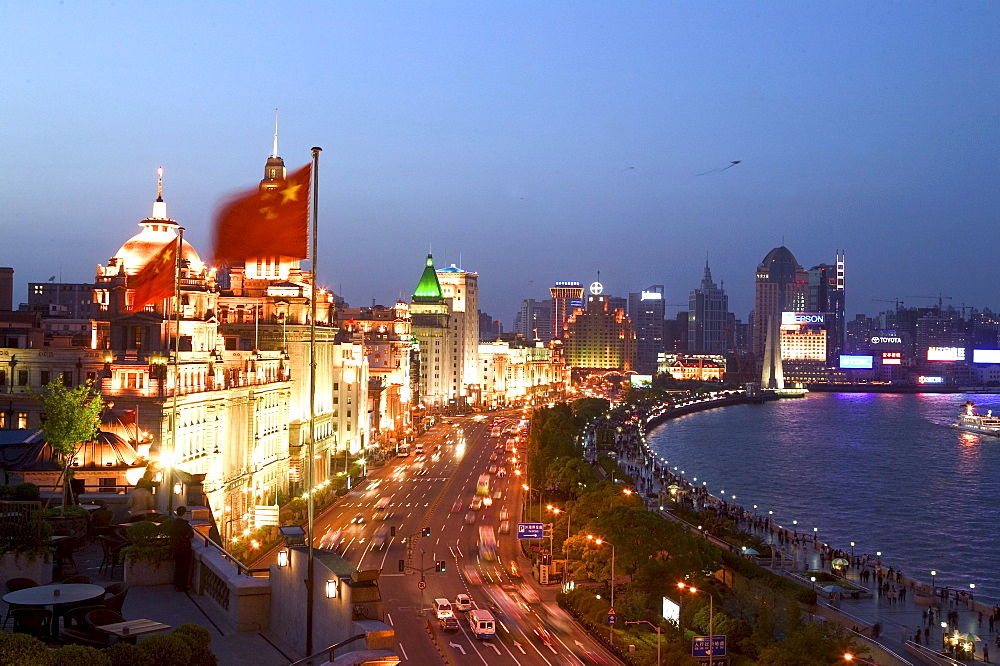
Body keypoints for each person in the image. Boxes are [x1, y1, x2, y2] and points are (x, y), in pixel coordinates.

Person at [168, 505, 194, 592]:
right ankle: (182, 585)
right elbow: (190, 535)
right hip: (184, 548)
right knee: (184, 568)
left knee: (178, 567)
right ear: (184, 514)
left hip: (176, 547)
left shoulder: (174, 523)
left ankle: (177, 584)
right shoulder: (184, 524)